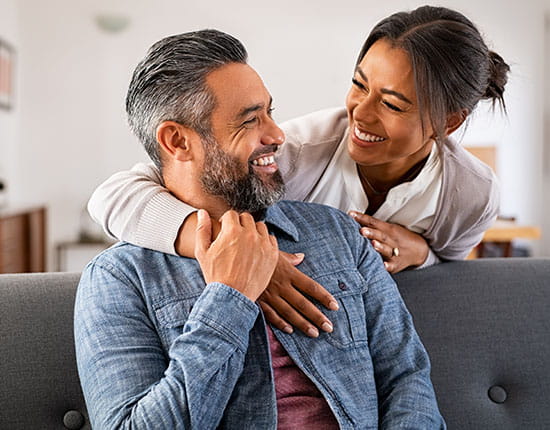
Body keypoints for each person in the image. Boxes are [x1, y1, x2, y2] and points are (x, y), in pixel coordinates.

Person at [74, 29, 445, 429]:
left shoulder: (339, 234)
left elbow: (407, 379)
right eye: (250, 120)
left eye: (270, 112)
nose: (277, 134)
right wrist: (229, 298)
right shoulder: (119, 279)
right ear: (178, 141)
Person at [87, 5, 510, 337]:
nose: (359, 113)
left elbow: (451, 274)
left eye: (392, 104)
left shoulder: (470, 194)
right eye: (359, 84)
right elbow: (113, 196)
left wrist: (422, 254)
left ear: (448, 122)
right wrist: (242, 254)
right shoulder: (299, 151)